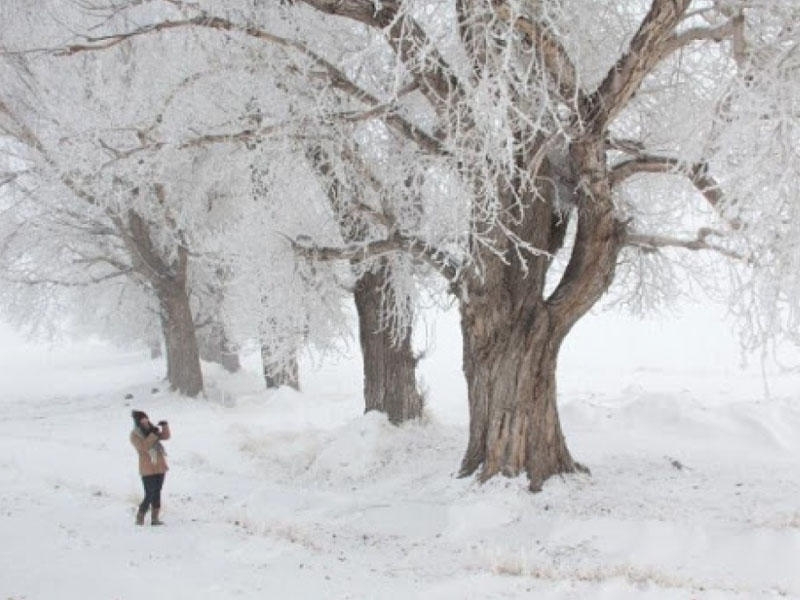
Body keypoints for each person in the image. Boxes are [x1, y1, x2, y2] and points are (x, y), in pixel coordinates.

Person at [130, 410, 171, 526]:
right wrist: (153, 434)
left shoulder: (152, 429)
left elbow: (166, 436)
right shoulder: (135, 435)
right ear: (138, 421)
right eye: (142, 419)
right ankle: (140, 514)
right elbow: (144, 446)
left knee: (157, 491)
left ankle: (155, 518)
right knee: (149, 493)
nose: (145, 420)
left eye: (146, 418)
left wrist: (165, 426)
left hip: (159, 465)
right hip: (147, 468)